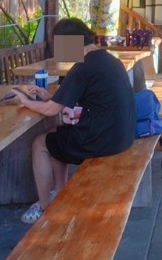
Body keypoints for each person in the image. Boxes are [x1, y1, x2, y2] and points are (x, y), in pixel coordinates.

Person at [11, 18, 136, 224]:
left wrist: (25, 101)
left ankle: (44, 207)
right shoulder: (109, 60)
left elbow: (51, 111)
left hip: (102, 141)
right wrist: (49, 96)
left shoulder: (82, 67)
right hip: (123, 136)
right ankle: (60, 191)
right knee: (56, 135)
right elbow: (79, 97)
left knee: (40, 143)